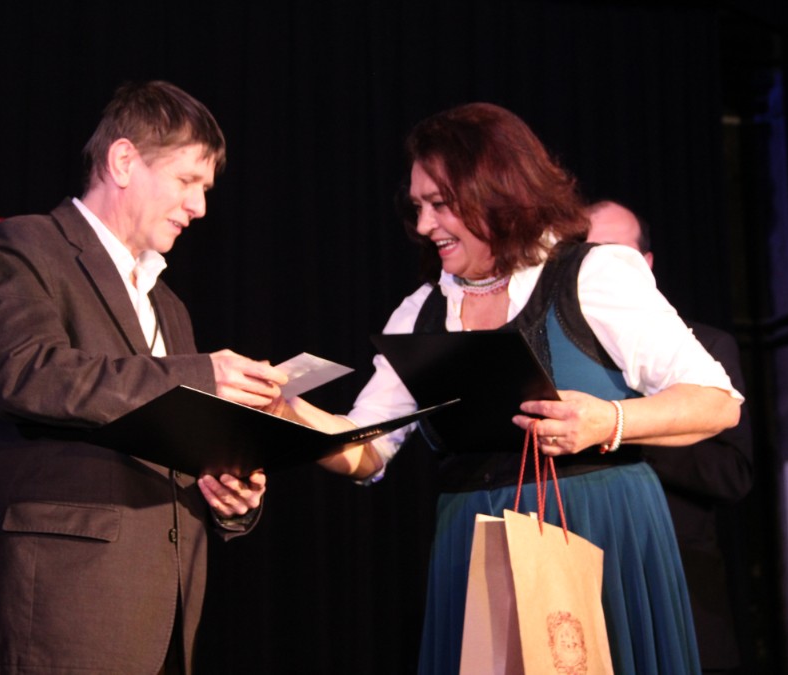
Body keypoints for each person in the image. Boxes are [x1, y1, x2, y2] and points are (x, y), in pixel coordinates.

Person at [283, 103, 742, 674]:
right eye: (418, 207)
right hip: (474, 543)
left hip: (597, 528)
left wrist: (609, 421)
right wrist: (286, 412)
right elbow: (366, 447)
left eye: (440, 204)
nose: (424, 226)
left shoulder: (592, 275)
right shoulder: (422, 310)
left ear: (497, 191)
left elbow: (716, 401)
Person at [0, 80, 287, 674]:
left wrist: (227, 493)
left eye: (205, 189)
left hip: (164, 616)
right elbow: (26, 372)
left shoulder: (170, 308)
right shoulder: (24, 247)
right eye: (187, 181)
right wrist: (200, 375)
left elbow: (168, 437)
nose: (199, 207)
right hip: (61, 610)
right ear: (124, 161)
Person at [587, 200, 754, 674]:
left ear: (647, 263)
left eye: (614, 253)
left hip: (681, 582)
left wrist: (623, 428)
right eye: (586, 254)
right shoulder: (568, 353)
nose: (600, 267)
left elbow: (732, 475)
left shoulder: (705, 346)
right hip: (586, 582)